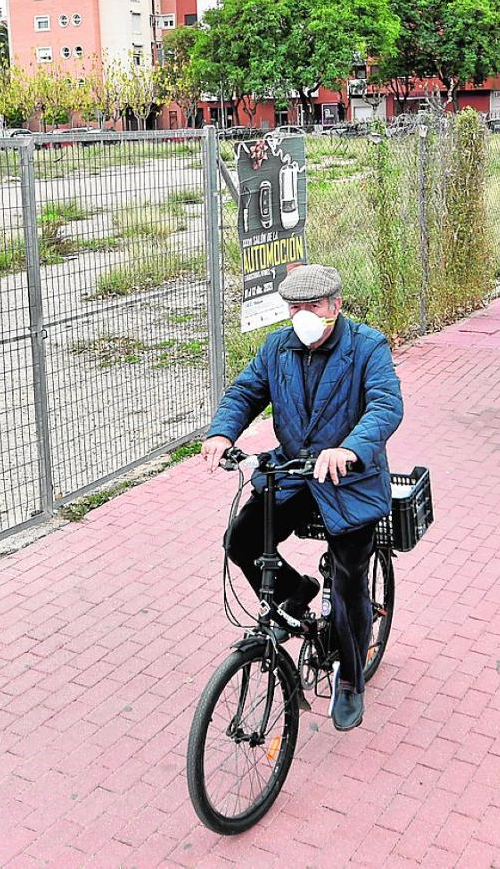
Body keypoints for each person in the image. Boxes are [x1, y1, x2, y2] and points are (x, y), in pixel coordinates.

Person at [201, 264, 403, 731]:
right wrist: (221, 432)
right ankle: (298, 592)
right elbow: (246, 391)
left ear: (334, 306)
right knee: (242, 541)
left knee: (351, 578)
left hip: (348, 481)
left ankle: (351, 679)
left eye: (312, 307)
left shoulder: (367, 346)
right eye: (294, 308)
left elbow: (386, 405)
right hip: (293, 473)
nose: (302, 316)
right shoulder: (277, 347)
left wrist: (351, 447)